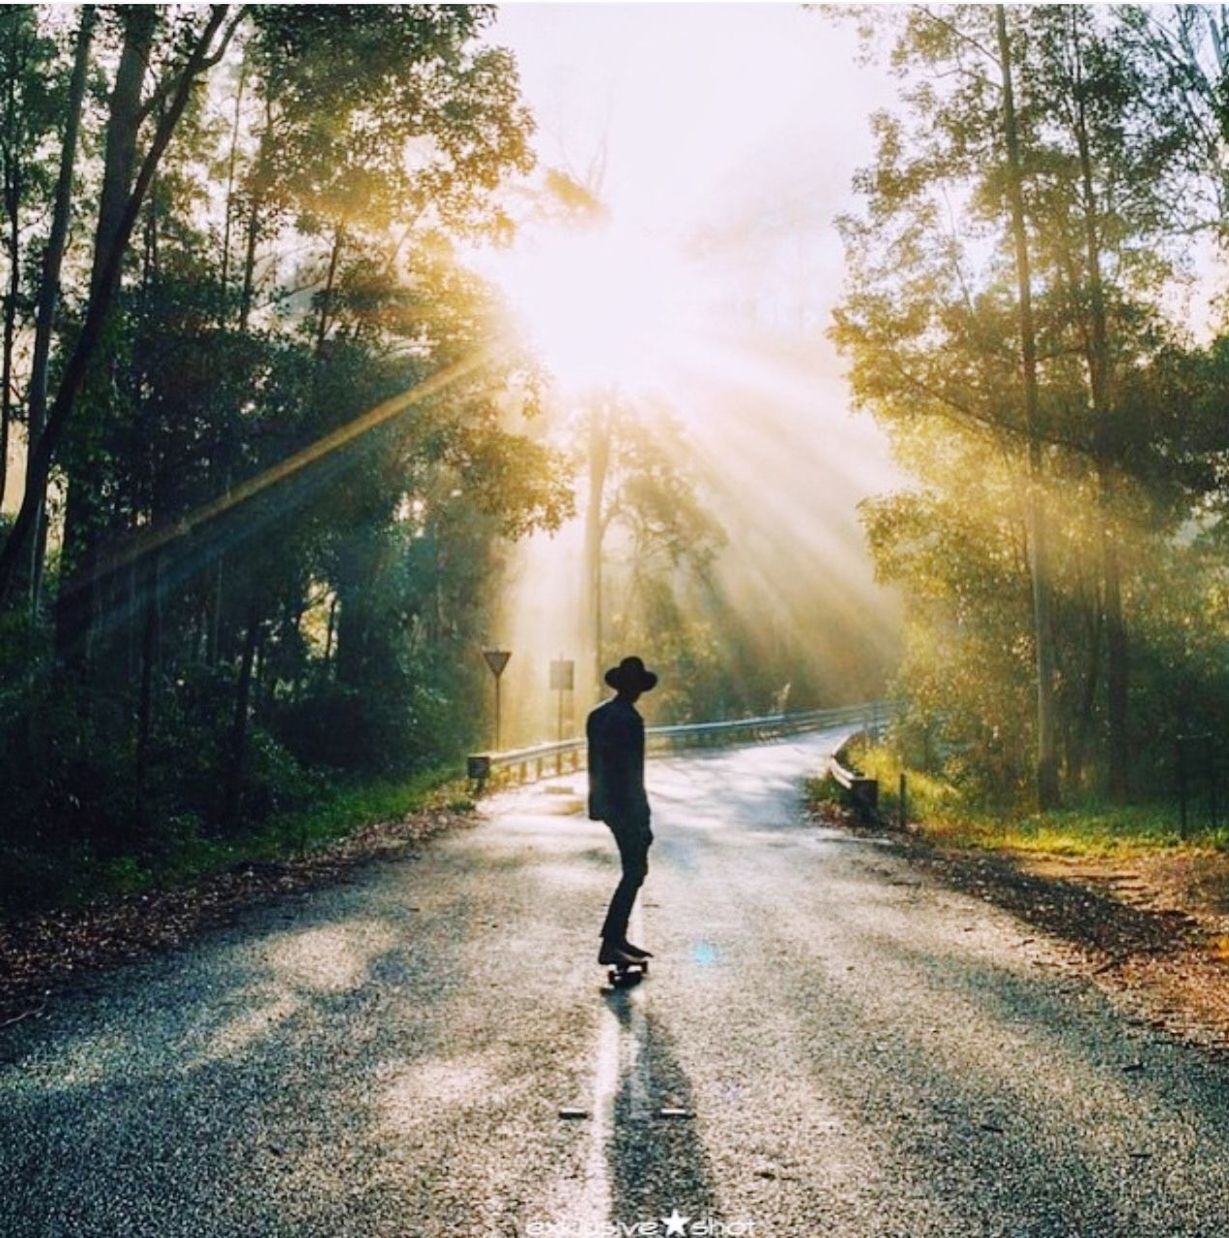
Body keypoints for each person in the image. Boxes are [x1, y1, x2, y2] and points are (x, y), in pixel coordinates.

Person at [587, 655, 658, 967]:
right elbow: (633, 773)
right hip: (626, 806)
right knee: (635, 870)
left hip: (605, 803)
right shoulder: (630, 720)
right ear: (637, 689)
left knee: (632, 870)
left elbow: (595, 765)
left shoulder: (598, 716)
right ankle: (611, 942)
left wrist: (596, 803)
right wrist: (643, 818)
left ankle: (617, 938)